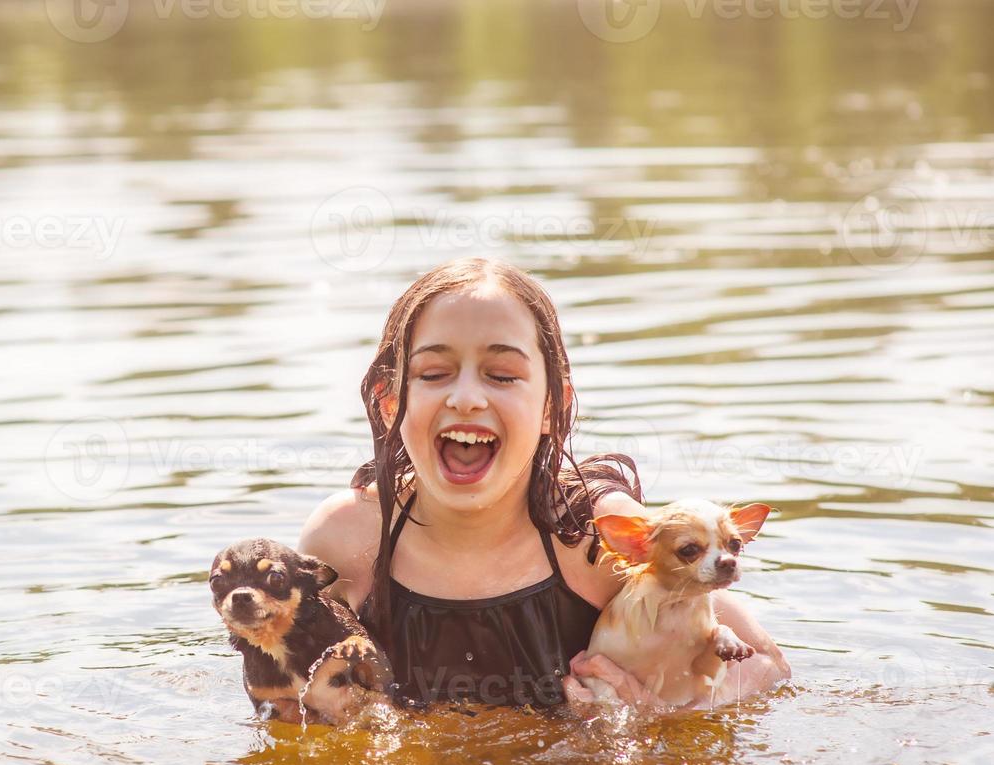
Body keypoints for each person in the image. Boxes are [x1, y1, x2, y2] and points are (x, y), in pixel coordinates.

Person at [299, 257, 790, 710]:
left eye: (502, 375)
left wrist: (668, 715)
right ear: (389, 403)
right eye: (434, 372)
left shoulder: (597, 537)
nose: (466, 397)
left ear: (552, 407)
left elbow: (768, 667)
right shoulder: (348, 541)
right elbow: (284, 696)